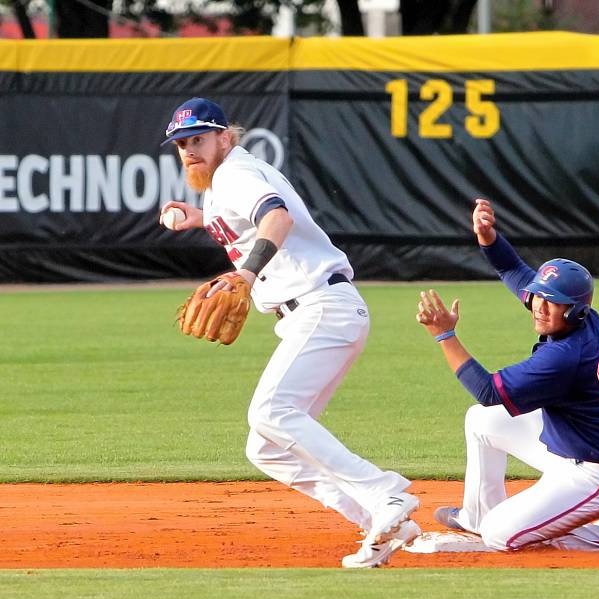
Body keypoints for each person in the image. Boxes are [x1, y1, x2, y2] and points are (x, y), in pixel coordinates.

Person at [158, 97, 419, 568]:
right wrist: (200, 218)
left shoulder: (235, 174)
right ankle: (381, 521)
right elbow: (246, 220)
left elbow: (277, 219)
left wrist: (247, 275)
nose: (190, 150)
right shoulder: (224, 182)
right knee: (266, 447)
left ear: (226, 137)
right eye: (181, 143)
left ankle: (386, 494)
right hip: (317, 311)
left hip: (322, 305)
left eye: (198, 138)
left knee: (271, 412)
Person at [416, 198, 599, 551]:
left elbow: (488, 389)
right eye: (538, 296)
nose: (539, 305)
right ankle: (477, 514)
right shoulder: (579, 315)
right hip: (572, 446)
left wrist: (445, 335)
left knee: (499, 535)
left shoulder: (565, 356)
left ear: (575, 310)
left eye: (550, 301)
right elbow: (514, 270)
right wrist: (488, 237)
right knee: (483, 421)